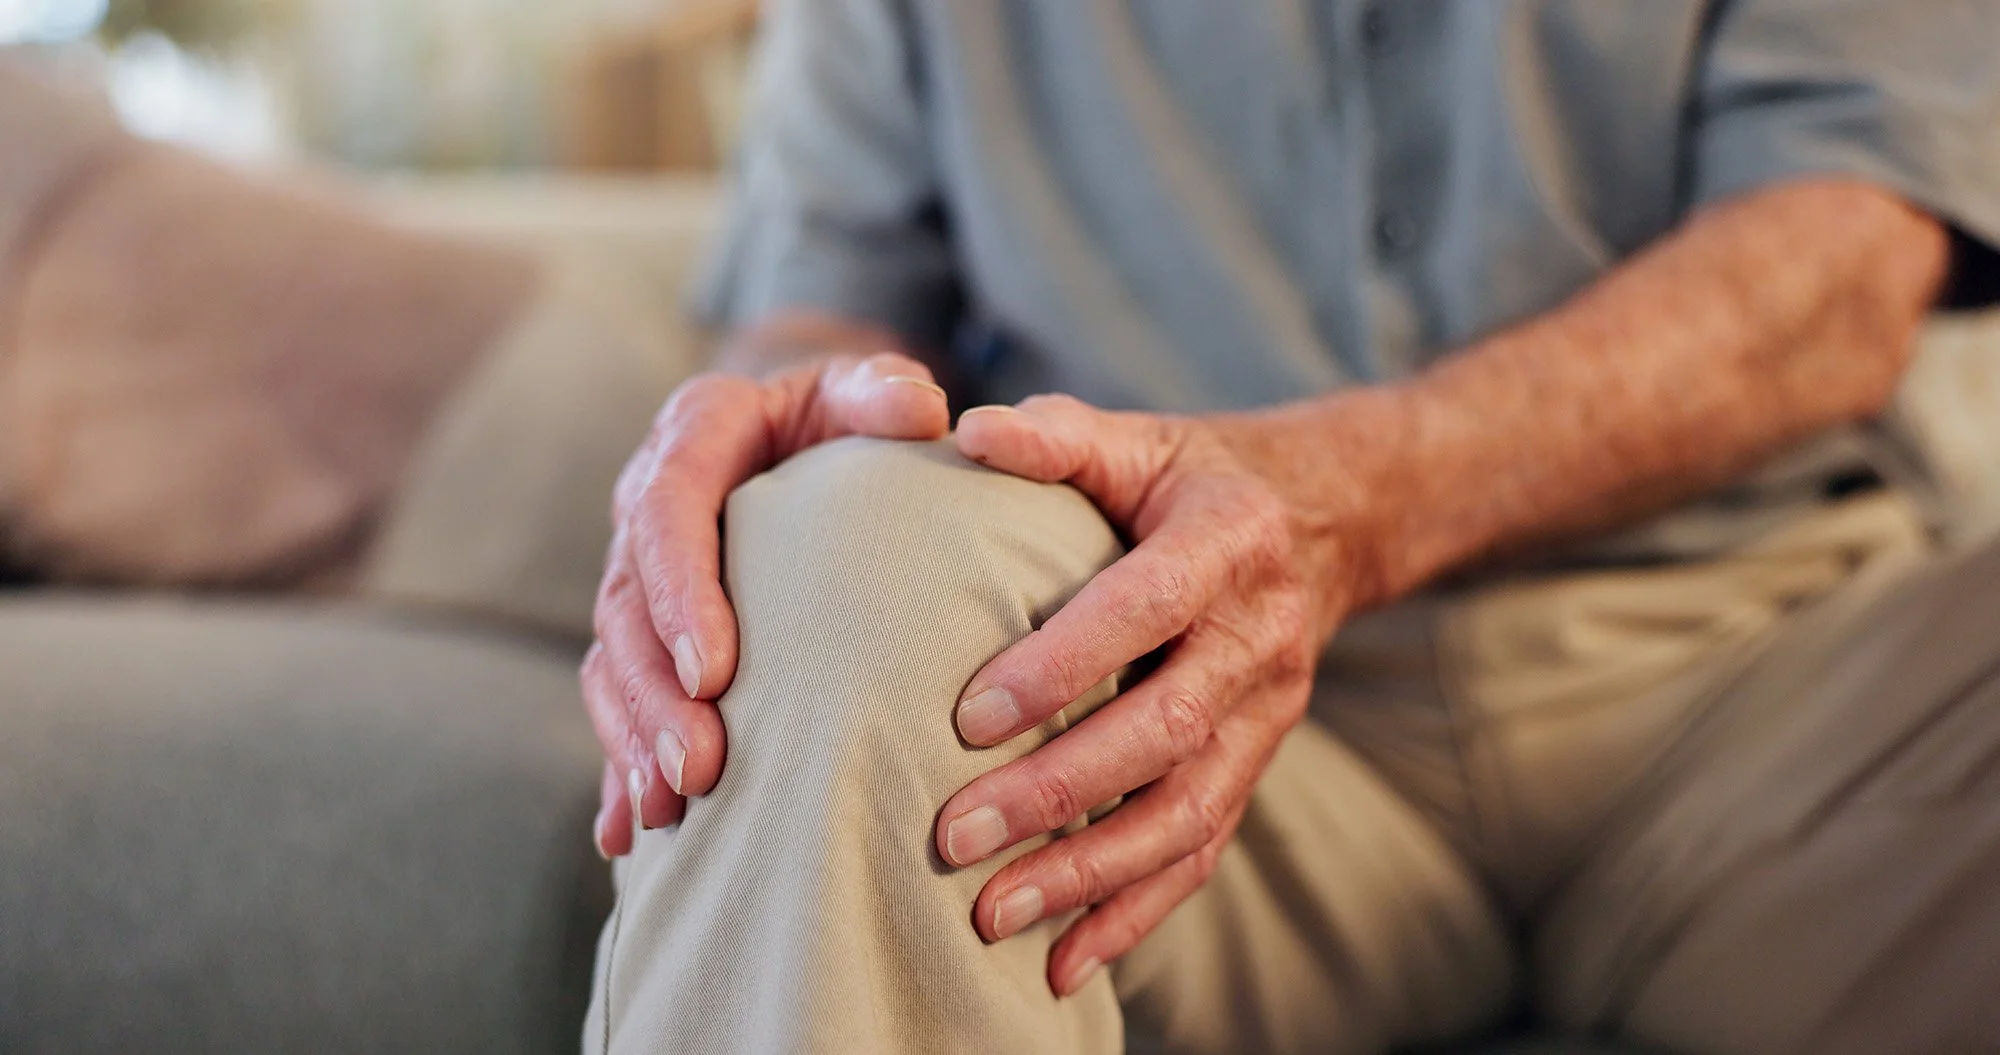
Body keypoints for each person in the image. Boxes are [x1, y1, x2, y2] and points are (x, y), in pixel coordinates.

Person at [579, 3, 2000, 1053]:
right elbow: (823, 303)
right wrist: (782, 435)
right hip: (1160, 712)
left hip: (1776, 681)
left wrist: (1338, 501)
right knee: (822, 557)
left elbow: (1842, 268)